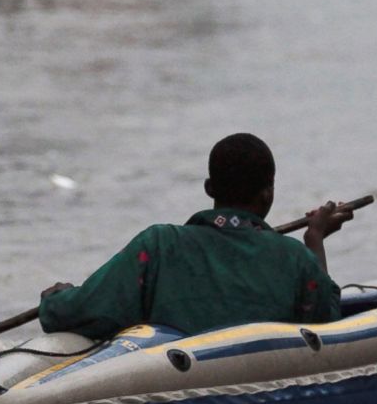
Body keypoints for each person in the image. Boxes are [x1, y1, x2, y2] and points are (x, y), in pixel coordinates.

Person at [37, 134, 354, 340]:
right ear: (268, 193)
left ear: (209, 189)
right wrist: (315, 240)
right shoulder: (295, 258)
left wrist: (56, 298)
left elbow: (80, 311)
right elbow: (327, 330)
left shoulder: (159, 245)